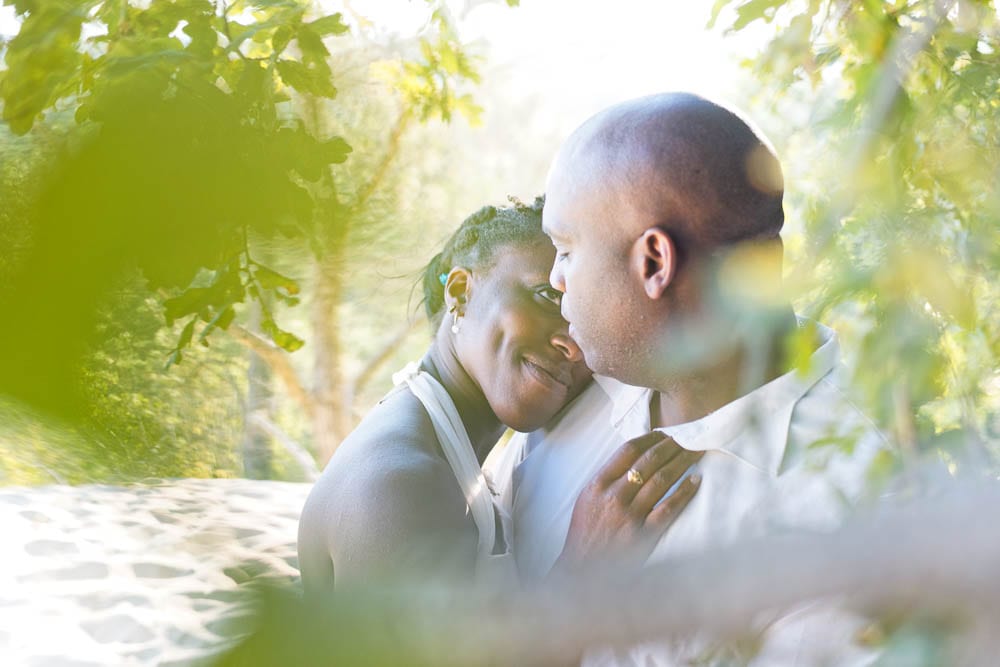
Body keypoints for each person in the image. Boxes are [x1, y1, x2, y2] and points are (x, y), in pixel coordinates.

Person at [494, 94, 890, 665]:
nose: (555, 280)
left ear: (654, 263)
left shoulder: (841, 520)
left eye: (566, 250)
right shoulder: (574, 377)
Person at [297, 197, 702, 597]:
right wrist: (582, 570)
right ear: (459, 292)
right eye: (546, 297)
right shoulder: (394, 486)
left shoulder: (451, 453)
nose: (573, 345)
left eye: (584, 322)